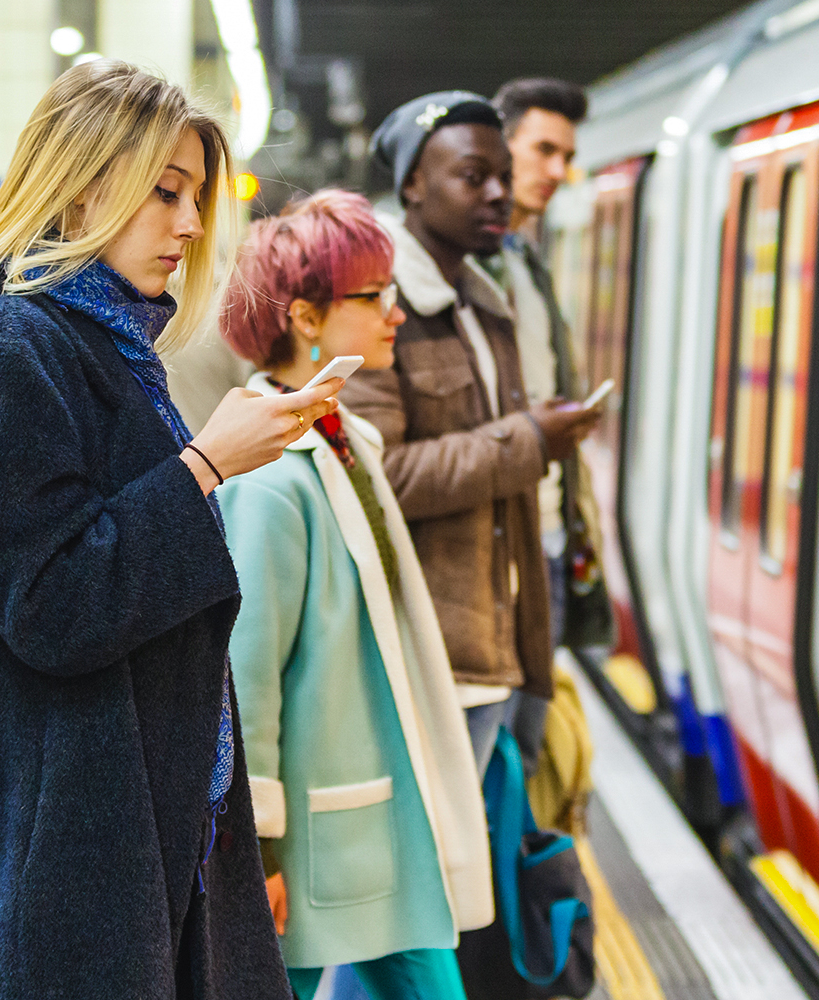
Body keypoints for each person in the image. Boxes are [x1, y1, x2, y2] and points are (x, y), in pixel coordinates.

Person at [0, 60, 343, 999]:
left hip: (133, 827)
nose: (188, 227)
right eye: (164, 192)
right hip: (57, 855)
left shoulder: (104, 344)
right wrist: (207, 464)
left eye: (193, 197)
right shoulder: (9, 355)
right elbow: (53, 607)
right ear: (80, 185)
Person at [217, 189, 492, 1000]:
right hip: (315, 833)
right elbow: (247, 672)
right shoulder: (271, 482)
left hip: (365, 816)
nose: (395, 313)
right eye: (372, 297)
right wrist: (258, 846)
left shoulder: (341, 437)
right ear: (304, 318)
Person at [343, 91, 600, 775]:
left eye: (502, 178)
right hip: (434, 658)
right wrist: (532, 442)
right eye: (471, 176)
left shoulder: (483, 306)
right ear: (413, 186)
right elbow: (377, 476)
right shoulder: (377, 304)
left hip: (501, 640)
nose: (497, 194)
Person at [489, 76, 610, 773]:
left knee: (526, 754)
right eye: (544, 150)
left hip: (549, 537)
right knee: (502, 760)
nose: (559, 172)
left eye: (567, 155)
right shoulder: (459, 271)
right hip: (503, 550)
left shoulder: (526, 262)